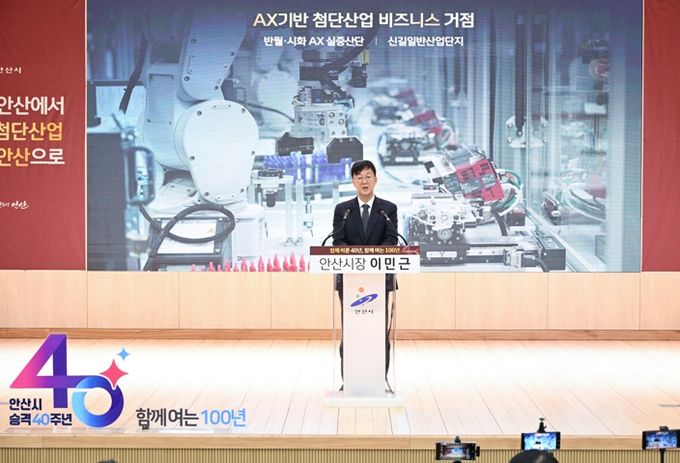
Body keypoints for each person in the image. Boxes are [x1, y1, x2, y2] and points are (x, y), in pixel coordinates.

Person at [332, 160, 399, 382]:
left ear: (376, 180)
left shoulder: (388, 209)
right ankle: (349, 381)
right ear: (353, 181)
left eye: (368, 176)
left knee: (378, 331)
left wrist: (371, 257)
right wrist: (356, 257)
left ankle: (380, 380)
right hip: (350, 280)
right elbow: (338, 240)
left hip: (379, 280)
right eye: (359, 177)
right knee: (351, 330)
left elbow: (391, 239)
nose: (364, 181)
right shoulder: (343, 210)